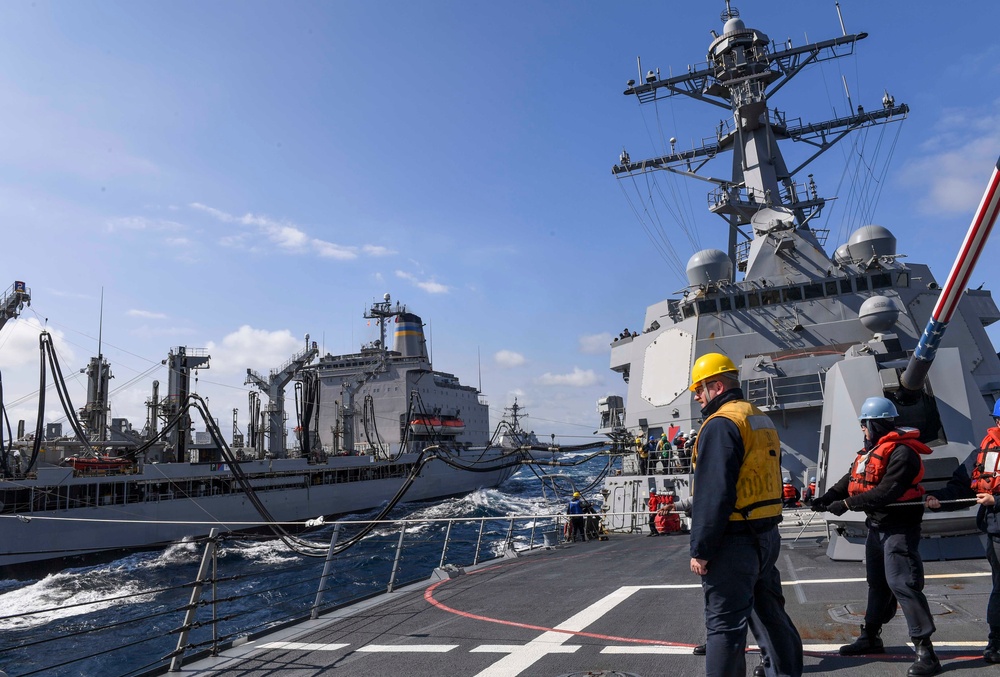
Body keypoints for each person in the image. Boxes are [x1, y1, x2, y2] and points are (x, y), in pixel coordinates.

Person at [687, 352, 803, 677]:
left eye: (700, 389)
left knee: (724, 628)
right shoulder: (759, 418)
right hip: (766, 538)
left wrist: (701, 550)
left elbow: (715, 494)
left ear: (717, 386)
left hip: (734, 543)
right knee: (771, 615)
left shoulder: (721, 424)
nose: (697, 397)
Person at [811, 396, 940, 676]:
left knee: (902, 583)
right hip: (877, 526)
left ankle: (925, 650)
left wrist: (844, 506)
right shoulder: (870, 452)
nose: (863, 430)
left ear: (875, 424)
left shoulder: (902, 454)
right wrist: (828, 498)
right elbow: (850, 480)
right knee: (877, 583)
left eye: (864, 425)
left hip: (899, 528)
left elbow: (887, 491)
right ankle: (871, 636)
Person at [924, 399, 1000, 664]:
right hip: (996, 531)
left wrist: (997, 501)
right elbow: (963, 484)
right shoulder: (987, 450)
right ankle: (997, 642)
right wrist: (939, 500)